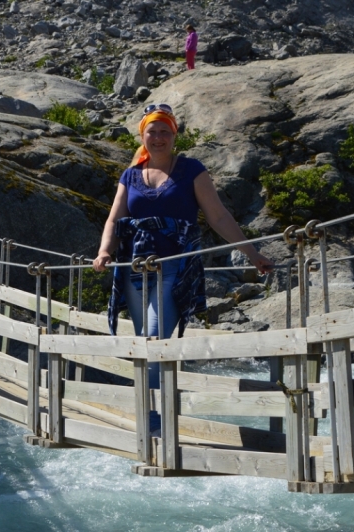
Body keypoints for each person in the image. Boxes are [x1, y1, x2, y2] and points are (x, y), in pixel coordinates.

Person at [92, 104, 272, 391]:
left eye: (165, 131)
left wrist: (252, 254)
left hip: (176, 266)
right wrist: (104, 252)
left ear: (175, 136)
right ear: (143, 136)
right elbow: (115, 219)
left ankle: (152, 420)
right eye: (153, 131)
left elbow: (218, 216)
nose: (159, 137)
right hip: (134, 266)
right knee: (143, 342)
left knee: (154, 340)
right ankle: (154, 412)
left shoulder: (191, 170)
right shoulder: (130, 175)